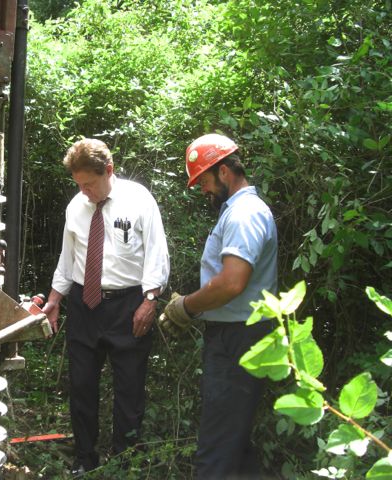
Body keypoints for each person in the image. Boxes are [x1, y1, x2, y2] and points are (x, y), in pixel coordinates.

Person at [42, 138, 170, 475]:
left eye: (89, 183)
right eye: (79, 184)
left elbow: (157, 253)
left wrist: (150, 300)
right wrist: (55, 300)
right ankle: (85, 459)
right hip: (85, 305)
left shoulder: (138, 200)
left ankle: (125, 461)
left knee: (129, 387)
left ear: (108, 170)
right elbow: (67, 259)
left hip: (129, 305)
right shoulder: (76, 206)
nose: (84, 191)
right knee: (82, 385)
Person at [158, 133, 278, 480]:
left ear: (224, 171)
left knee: (216, 448)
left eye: (205, 181)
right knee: (233, 440)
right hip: (237, 335)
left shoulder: (244, 214)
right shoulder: (238, 211)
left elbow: (231, 282)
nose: (202, 190)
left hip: (240, 340)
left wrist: (186, 307)